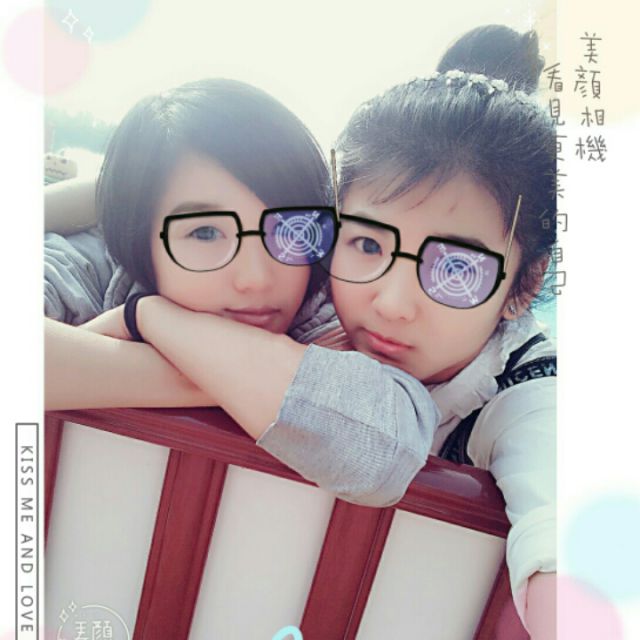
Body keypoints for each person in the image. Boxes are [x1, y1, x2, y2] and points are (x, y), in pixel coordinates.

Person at [45, 26, 556, 635]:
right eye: (367, 244)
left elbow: (556, 521)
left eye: (457, 268)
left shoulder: (520, 389)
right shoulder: (111, 267)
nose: (392, 304)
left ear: (525, 284)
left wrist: (149, 320)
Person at [44, 77, 437, 500]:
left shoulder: (328, 313)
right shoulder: (89, 265)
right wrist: (230, 379)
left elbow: (384, 453)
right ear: (139, 236)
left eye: (289, 230)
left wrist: (144, 317)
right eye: (206, 232)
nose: (256, 278)